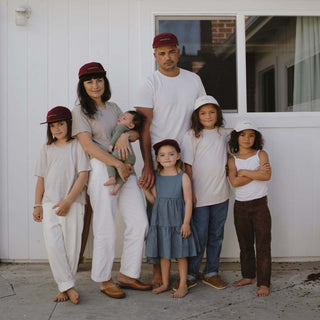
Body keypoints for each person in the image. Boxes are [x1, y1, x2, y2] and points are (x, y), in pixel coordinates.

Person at [72, 62, 151, 299]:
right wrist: (117, 164)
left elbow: (135, 130)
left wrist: (127, 135)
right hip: (102, 168)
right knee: (105, 224)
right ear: (82, 85)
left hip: (126, 167)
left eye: (99, 80)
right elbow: (87, 145)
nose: (95, 85)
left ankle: (128, 274)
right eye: (89, 81)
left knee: (139, 222)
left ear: (105, 82)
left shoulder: (114, 107)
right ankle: (104, 279)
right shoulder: (80, 112)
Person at [135, 32, 206, 286]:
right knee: (157, 213)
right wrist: (147, 164)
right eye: (161, 53)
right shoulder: (150, 83)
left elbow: (201, 118)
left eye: (171, 52)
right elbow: (144, 126)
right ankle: (158, 268)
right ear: (154, 56)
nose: (167, 57)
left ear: (179, 52)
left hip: (187, 156)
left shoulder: (193, 80)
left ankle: (188, 269)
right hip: (159, 159)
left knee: (188, 207)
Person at [33, 106, 91, 304]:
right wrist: (37, 204)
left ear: (69, 124)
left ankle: (65, 286)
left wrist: (68, 201)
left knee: (71, 247)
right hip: (49, 203)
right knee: (53, 246)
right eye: (52, 125)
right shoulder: (46, 148)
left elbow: (83, 174)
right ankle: (67, 286)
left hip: (73, 203)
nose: (56, 129)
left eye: (61, 124)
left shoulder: (77, 146)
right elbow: (40, 178)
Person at [178, 95, 230, 291]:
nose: (208, 116)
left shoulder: (223, 133)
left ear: (218, 113)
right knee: (199, 235)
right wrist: (190, 194)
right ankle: (191, 274)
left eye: (211, 112)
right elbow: (188, 166)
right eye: (203, 113)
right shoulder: (192, 135)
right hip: (199, 196)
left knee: (216, 234)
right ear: (196, 116)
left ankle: (211, 272)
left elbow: (228, 158)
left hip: (221, 194)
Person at [141, 139, 199, 298]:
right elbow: (155, 201)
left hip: (178, 222)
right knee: (164, 255)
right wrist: (145, 190)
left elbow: (188, 201)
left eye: (171, 154)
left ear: (178, 156)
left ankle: (182, 285)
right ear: (157, 158)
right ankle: (166, 283)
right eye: (162, 155)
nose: (167, 158)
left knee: (181, 254)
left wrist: (186, 223)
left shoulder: (183, 177)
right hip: (161, 222)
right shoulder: (156, 177)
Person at [227, 119, 272, 297]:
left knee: (262, 244)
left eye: (251, 135)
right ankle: (248, 276)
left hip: (260, 205)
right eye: (243, 135)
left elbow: (267, 175)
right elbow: (235, 182)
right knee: (245, 243)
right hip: (241, 207)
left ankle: (264, 282)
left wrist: (244, 172)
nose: (247, 139)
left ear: (256, 138)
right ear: (236, 138)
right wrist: (256, 173)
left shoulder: (261, 155)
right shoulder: (232, 160)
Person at [104, 110, 146, 195]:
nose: (120, 118)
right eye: (121, 116)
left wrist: (111, 145)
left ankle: (112, 178)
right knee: (124, 172)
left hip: (122, 153)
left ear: (131, 125)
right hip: (131, 157)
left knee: (109, 159)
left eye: (124, 118)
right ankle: (117, 187)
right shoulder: (126, 130)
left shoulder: (121, 127)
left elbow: (116, 135)